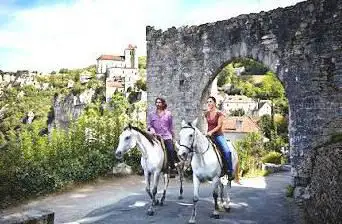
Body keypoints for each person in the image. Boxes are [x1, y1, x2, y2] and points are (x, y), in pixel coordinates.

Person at [205, 96, 234, 180]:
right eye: (207, 102)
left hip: (218, 135)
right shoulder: (206, 113)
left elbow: (219, 126)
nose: (209, 103)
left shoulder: (219, 114)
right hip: (208, 135)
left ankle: (229, 171)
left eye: (210, 101)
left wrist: (211, 132)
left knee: (227, 151)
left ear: (214, 103)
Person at [147, 97, 177, 173]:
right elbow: (150, 126)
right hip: (156, 137)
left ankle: (172, 167)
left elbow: (171, 126)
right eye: (157, 102)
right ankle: (145, 166)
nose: (158, 104)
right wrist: (152, 131)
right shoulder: (152, 114)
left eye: (159, 102)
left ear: (163, 104)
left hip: (166, 136)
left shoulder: (168, 114)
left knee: (170, 150)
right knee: (148, 149)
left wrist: (173, 136)